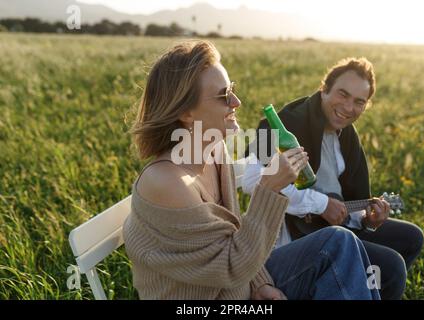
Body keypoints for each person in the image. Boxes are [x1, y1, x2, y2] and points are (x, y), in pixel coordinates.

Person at [122, 40, 380, 300]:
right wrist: (271, 188)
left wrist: (261, 284)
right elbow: (230, 265)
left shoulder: (215, 151)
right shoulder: (168, 182)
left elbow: (229, 237)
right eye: (224, 96)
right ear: (186, 112)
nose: (237, 101)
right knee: (338, 244)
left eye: (231, 89)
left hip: (244, 283)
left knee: (386, 259)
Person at [242, 57, 424, 300]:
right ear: (324, 89)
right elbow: (251, 180)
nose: (349, 108)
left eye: (359, 102)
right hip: (296, 238)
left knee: (411, 238)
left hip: (334, 228)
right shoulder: (275, 125)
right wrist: (320, 204)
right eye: (342, 94)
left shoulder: (348, 137)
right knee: (391, 267)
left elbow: (349, 200)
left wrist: (368, 220)